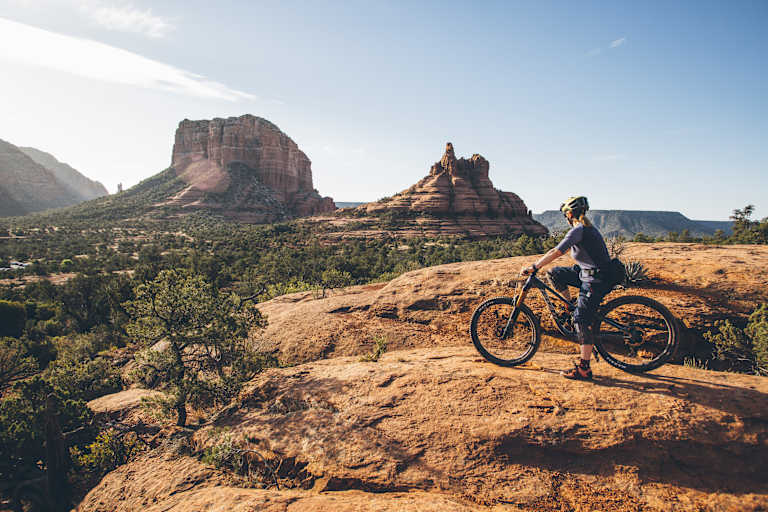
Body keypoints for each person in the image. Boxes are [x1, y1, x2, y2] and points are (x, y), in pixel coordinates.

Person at [521, 196, 612, 380]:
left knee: (581, 320)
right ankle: (569, 306)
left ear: (569, 214)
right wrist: (538, 264)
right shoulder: (585, 228)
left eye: (565, 215)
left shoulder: (578, 230)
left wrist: (535, 267)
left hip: (596, 279)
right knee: (555, 273)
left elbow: (557, 252)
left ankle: (584, 369)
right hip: (587, 273)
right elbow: (554, 250)